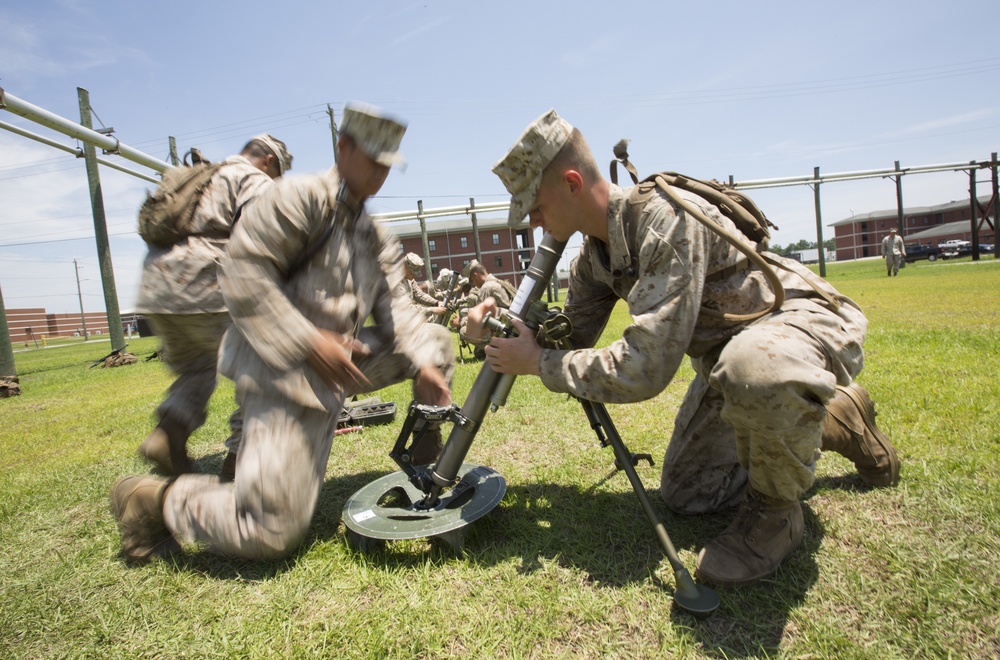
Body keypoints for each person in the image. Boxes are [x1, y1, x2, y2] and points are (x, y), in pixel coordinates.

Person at [468, 110, 900, 586]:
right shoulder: (595, 254)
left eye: (534, 204)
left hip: (793, 326)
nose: (532, 221)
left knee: (753, 369)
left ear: (572, 183)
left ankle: (777, 515)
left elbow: (644, 369)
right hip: (730, 363)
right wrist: (498, 327)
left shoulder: (662, 221)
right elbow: (569, 338)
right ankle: (836, 417)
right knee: (688, 494)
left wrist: (539, 364)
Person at [111, 103, 454, 561]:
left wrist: (425, 366)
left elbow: (399, 308)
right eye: (372, 161)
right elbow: (243, 272)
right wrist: (311, 341)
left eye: (387, 166)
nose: (379, 175)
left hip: (342, 368)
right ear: (344, 148)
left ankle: (423, 453)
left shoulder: (373, 233)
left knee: (433, 342)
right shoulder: (298, 198)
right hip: (282, 378)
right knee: (269, 533)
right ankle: (150, 499)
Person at [136, 134, 292, 477]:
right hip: (209, 285)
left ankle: (168, 434)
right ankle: (240, 459)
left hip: (157, 288)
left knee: (196, 370)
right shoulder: (252, 179)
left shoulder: (198, 176)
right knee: (260, 370)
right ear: (269, 160)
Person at [403, 252, 447, 320]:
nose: (414, 276)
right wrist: (431, 310)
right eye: (412, 273)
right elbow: (407, 309)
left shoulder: (409, 279)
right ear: (405, 267)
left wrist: (436, 302)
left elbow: (419, 294)